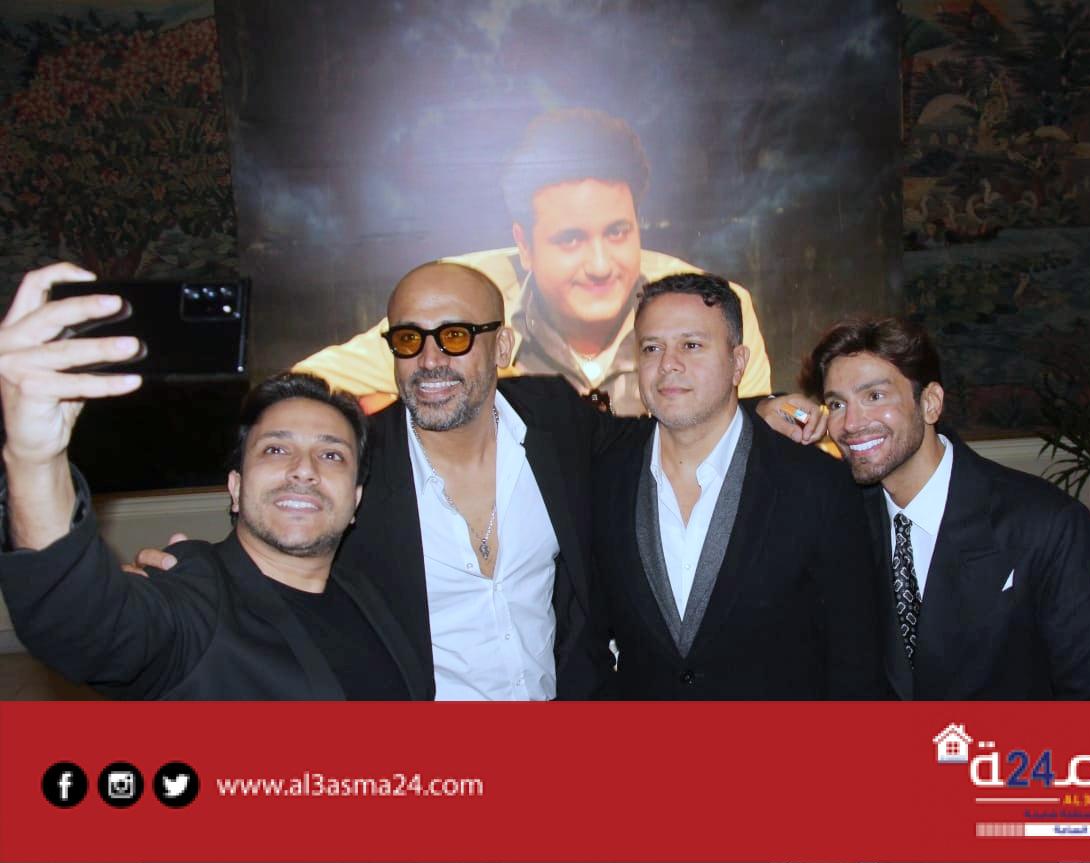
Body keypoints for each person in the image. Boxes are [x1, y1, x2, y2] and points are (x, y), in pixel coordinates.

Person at [139, 261, 797, 699]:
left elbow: (653, 437)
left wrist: (755, 410)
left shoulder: (554, 418)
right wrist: (197, 577)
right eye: (408, 339)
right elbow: (284, 533)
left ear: (502, 349)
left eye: (454, 336)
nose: (429, 360)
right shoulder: (361, 458)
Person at [0, 264, 428, 699]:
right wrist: (33, 457)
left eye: (331, 454)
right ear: (236, 488)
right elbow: (84, 624)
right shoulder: (195, 593)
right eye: (276, 449)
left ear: (355, 500)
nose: (304, 468)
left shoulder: (365, 593)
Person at [293, 108, 771, 415]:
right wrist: (416, 415)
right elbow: (297, 393)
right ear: (524, 245)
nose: (601, 264)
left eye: (617, 232)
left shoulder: (711, 307)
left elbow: (758, 449)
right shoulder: (463, 301)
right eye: (571, 239)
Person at [799, 316, 1090, 699]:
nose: (850, 423)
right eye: (837, 403)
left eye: (875, 396)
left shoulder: (1047, 525)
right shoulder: (844, 519)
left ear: (930, 403)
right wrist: (765, 413)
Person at [590, 273, 888, 699]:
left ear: (738, 363)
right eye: (652, 347)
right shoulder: (604, 477)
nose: (668, 363)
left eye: (691, 345)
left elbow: (854, 659)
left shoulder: (817, 485)